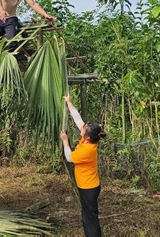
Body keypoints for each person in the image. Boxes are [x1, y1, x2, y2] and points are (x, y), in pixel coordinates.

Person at [60, 93, 106, 237]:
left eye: (84, 128)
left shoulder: (87, 150)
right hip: (90, 185)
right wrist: (69, 102)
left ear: (86, 136)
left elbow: (69, 157)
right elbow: (78, 119)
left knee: (89, 218)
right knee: (89, 216)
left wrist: (65, 141)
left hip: (88, 188)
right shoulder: (89, 140)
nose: (82, 126)